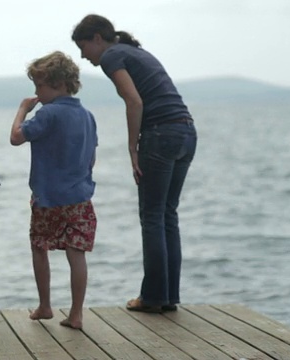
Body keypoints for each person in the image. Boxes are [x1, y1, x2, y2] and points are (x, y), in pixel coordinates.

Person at [72, 14, 197, 313]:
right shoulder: (135, 51)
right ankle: (167, 297)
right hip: (186, 132)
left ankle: (153, 297)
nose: (82, 55)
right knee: (167, 215)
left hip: (160, 134)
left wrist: (132, 148)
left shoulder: (112, 56)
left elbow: (135, 102)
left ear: (98, 39)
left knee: (153, 216)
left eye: (83, 46)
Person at [10, 51, 98, 329]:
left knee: (39, 247)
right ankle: (76, 314)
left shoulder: (47, 113)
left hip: (47, 198)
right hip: (80, 197)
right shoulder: (87, 116)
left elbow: (16, 138)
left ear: (58, 84)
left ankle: (45, 305)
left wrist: (23, 110)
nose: (36, 92)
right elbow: (92, 157)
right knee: (77, 253)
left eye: (39, 86)